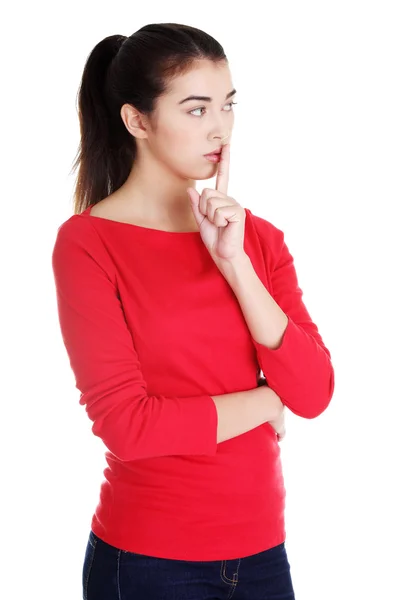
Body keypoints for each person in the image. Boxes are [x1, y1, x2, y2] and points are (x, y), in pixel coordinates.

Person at [51, 22, 335, 600]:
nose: (221, 129)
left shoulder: (258, 240)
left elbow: (315, 392)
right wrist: (266, 400)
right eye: (197, 109)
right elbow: (128, 427)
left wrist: (235, 265)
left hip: (263, 556)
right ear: (138, 121)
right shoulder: (88, 243)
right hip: (150, 562)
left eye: (228, 106)